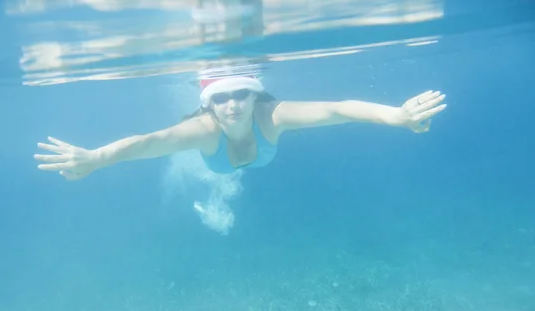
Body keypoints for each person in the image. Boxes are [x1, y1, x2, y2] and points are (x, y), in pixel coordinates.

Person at [34, 75, 447, 179]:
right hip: (215, 161)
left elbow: (338, 109)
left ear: (255, 97)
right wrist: (95, 159)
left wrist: (394, 115)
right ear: (208, 104)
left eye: (240, 96)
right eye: (219, 98)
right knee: (185, 152)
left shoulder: (274, 115)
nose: (231, 105)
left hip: (252, 151)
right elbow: (148, 142)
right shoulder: (204, 130)